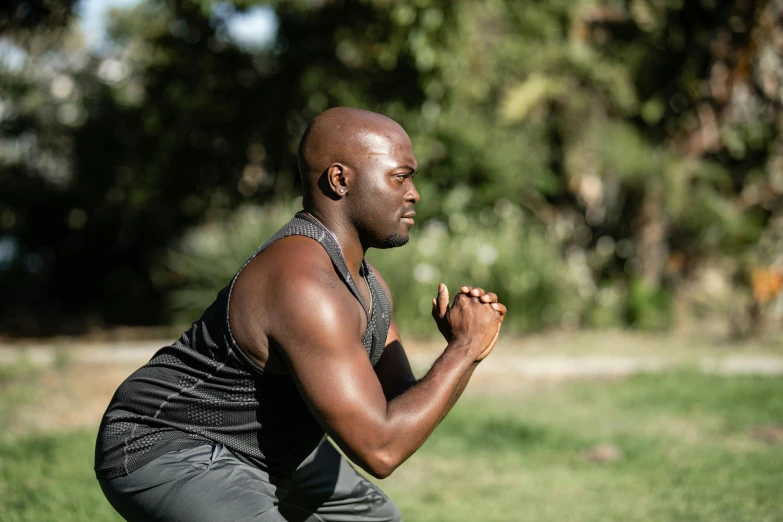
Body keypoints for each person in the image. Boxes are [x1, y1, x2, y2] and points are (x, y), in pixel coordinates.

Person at [94, 107, 507, 521]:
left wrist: (459, 348)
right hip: (172, 445)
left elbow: (398, 409)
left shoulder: (369, 284)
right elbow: (381, 449)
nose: (414, 193)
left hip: (265, 446)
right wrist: (466, 348)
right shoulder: (305, 286)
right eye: (400, 177)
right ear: (339, 180)